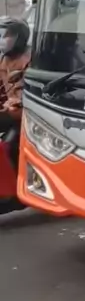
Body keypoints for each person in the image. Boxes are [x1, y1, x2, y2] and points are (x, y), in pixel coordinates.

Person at [0, 18, 30, 215]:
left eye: (8, 36)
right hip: (10, 111)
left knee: (9, 144)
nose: (4, 40)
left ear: (19, 38)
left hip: (26, 113)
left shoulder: (30, 60)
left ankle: (10, 191)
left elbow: (36, 89)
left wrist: (18, 101)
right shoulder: (4, 60)